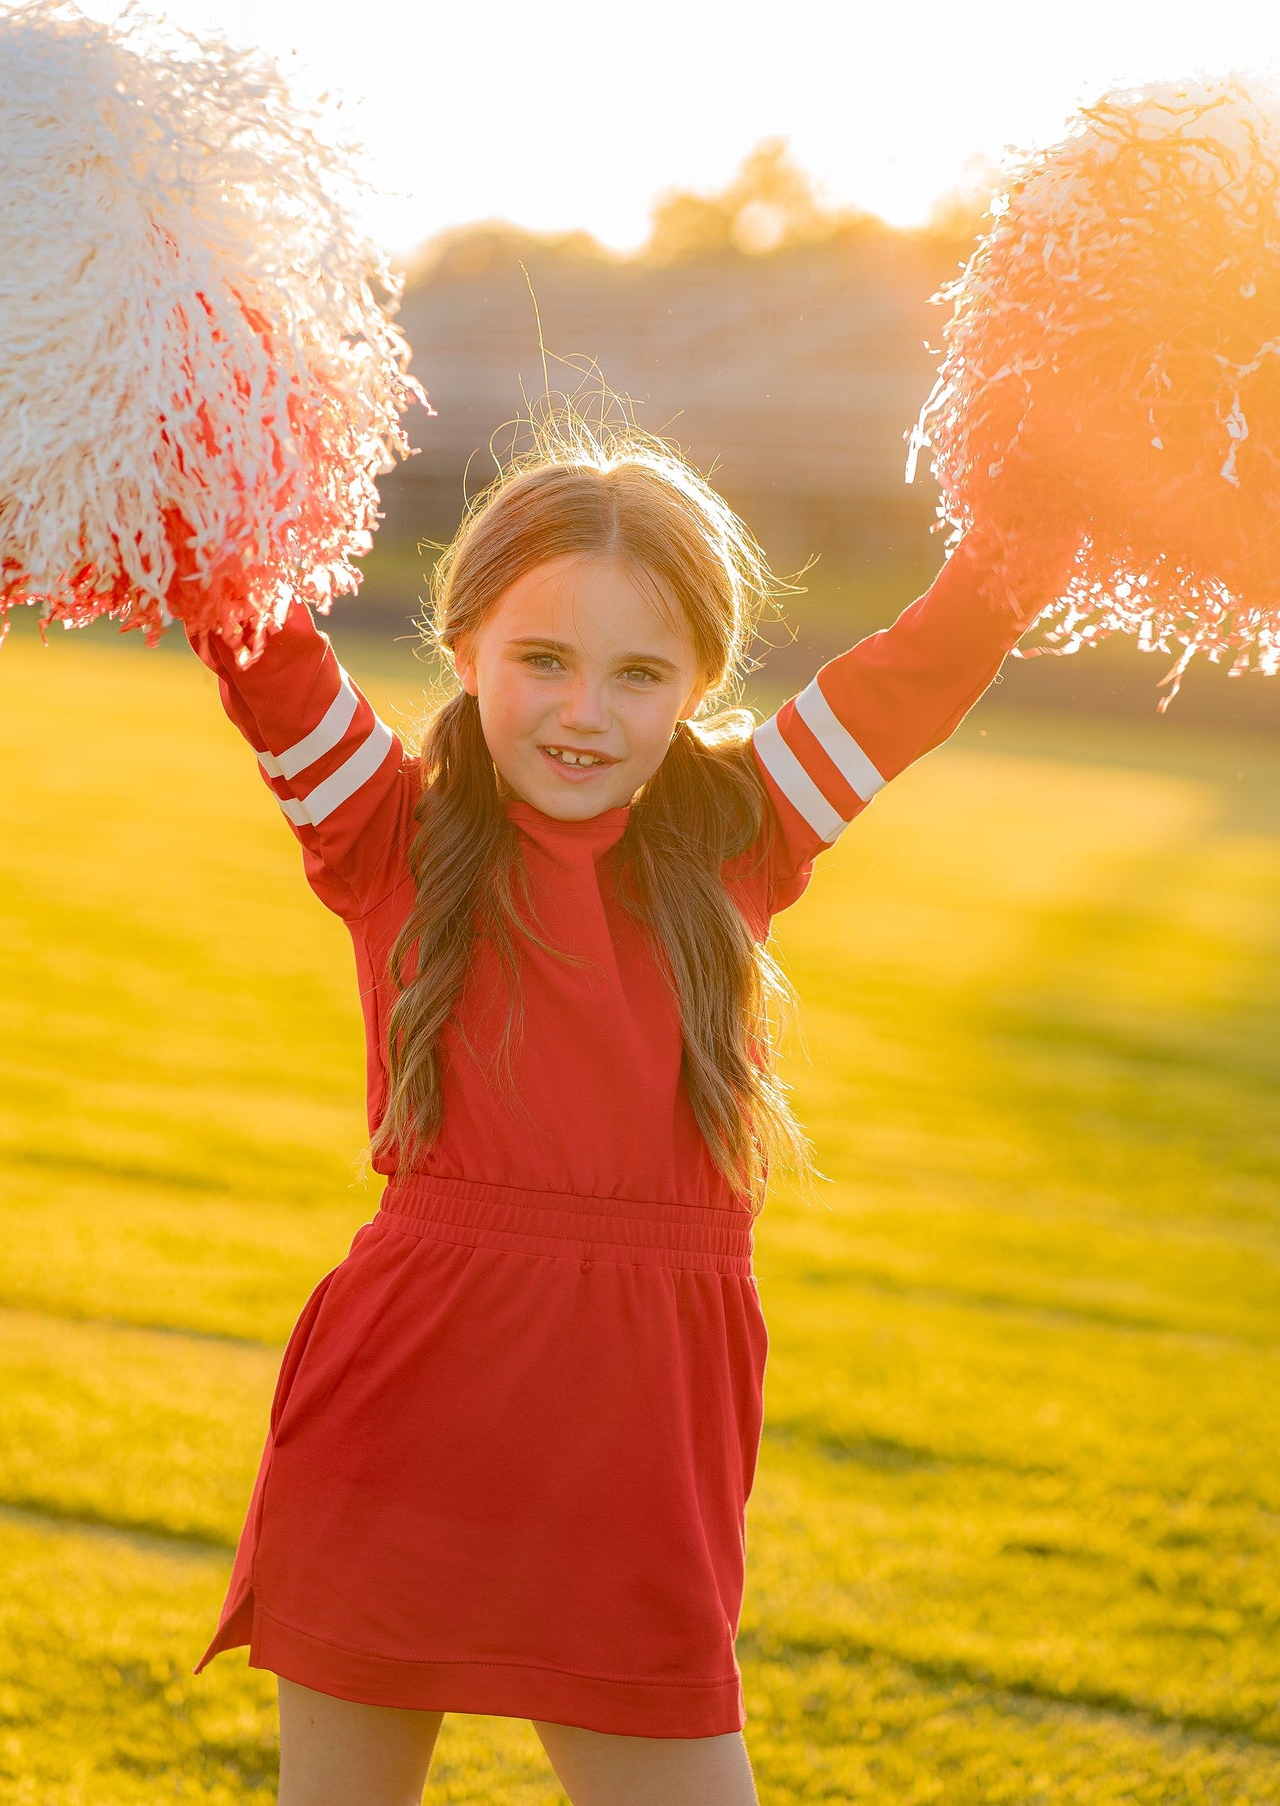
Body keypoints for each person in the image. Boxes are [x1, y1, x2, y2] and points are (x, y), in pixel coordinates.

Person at [185, 425, 1055, 1806]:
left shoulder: (744, 831)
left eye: (640, 674)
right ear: (465, 645)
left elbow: (922, 664)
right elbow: (255, 635)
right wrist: (156, 416)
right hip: (400, 1422)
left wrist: (1051, 505)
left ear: (698, 685)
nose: (584, 712)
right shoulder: (381, 830)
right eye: (542, 660)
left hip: (639, 1452)